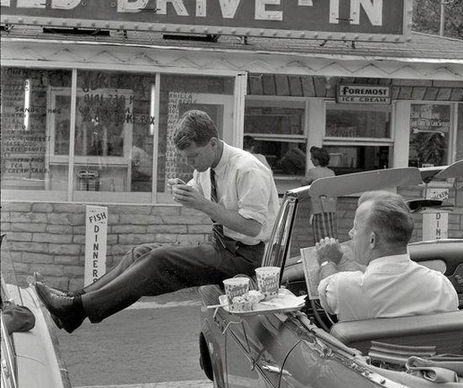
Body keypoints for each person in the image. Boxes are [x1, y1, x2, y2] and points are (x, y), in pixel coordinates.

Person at [34, 110, 280, 333]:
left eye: (193, 156)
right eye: (186, 158)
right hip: (222, 246)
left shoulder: (248, 170)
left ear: (213, 144)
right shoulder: (207, 165)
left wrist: (202, 204)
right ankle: (75, 300)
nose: (190, 163)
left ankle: (75, 309)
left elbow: (252, 227)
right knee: (140, 253)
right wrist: (184, 190)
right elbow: (200, 190)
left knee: (158, 260)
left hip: (248, 258)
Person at [316, 193, 458, 322]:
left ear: (372, 240)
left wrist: (327, 261)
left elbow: (328, 291)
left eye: (356, 227)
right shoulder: (441, 286)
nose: (350, 233)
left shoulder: (344, 288)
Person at [305, 146, 337, 241]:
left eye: (312, 157)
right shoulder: (331, 172)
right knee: (331, 233)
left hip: (318, 208)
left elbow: (304, 183)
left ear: (317, 159)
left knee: (320, 237)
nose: (310, 159)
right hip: (330, 207)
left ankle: (322, 254)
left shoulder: (312, 172)